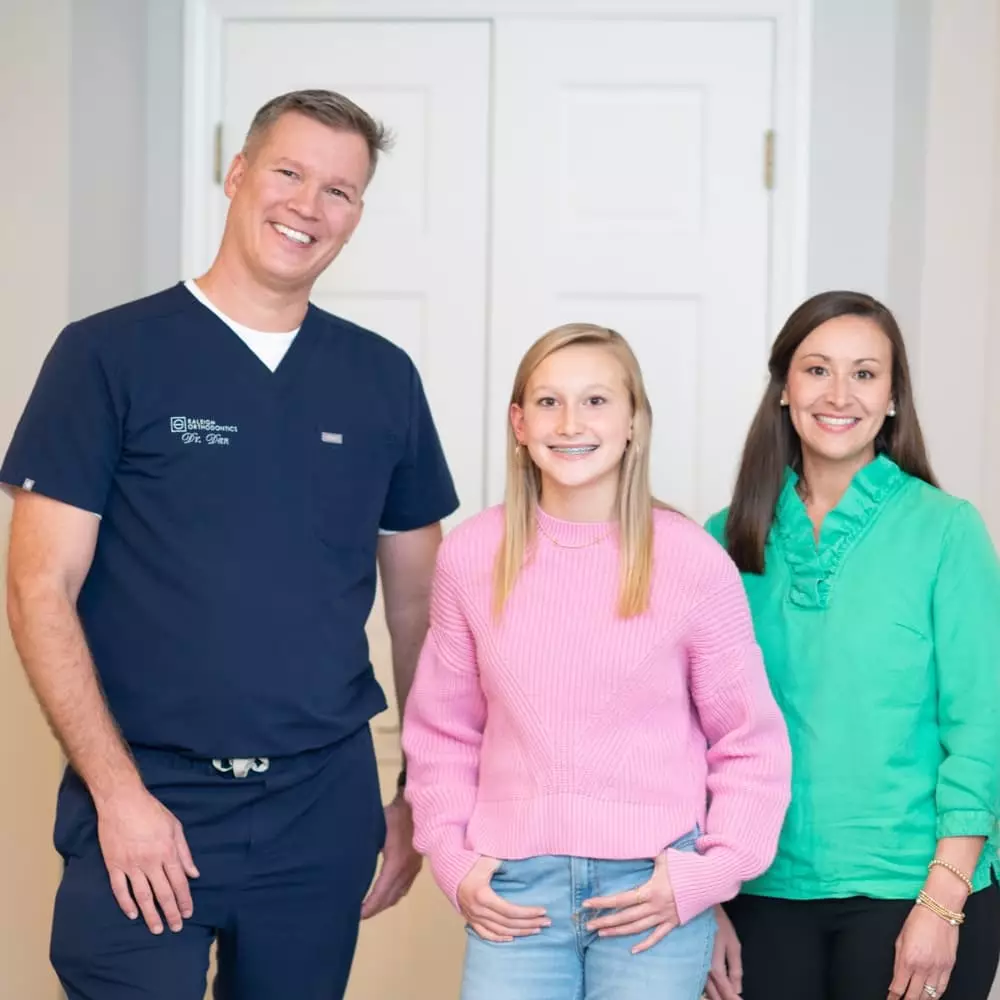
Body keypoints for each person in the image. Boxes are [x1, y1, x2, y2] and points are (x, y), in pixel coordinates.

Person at [1, 89, 458, 1000]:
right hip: (147, 792)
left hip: (320, 806)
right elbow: (38, 588)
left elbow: (421, 606)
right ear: (238, 173)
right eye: (288, 172)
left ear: (357, 215)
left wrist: (419, 797)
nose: (308, 206)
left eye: (340, 191)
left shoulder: (381, 379)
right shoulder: (106, 355)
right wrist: (117, 795)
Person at [400, 322, 792, 1000]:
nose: (571, 422)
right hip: (515, 893)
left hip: (652, 891)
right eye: (548, 402)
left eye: (597, 401)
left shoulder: (693, 561)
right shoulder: (470, 556)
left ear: (635, 420)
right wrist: (456, 862)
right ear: (518, 423)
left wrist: (710, 873)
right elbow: (443, 733)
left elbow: (749, 742)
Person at [703, 290, 1000, 1000]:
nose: (839, 395)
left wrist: (942, 900)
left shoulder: (947, 531)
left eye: (865, 374)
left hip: (914, 892)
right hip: (756, 893)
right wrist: (703, 897)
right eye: (816, 370)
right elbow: (686, 734)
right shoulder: (721, 539)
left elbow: (981, 729)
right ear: (784, 390)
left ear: (893, 397)